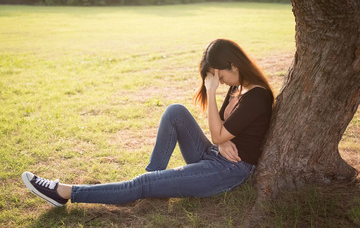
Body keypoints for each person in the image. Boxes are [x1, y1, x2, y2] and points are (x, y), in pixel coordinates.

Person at [22, 39, 274, 207]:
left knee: (140, 184)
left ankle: (64, 192)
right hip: (216, 156)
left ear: (233, 64)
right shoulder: (237, 88)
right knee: (175, 111)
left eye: (219, 76)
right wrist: (220, 144)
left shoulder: (258, 96)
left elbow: (219, 134)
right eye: (214, 80)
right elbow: (220, 133)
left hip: (229, 171)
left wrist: (210, 93)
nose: (219, 82)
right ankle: (152, 180)